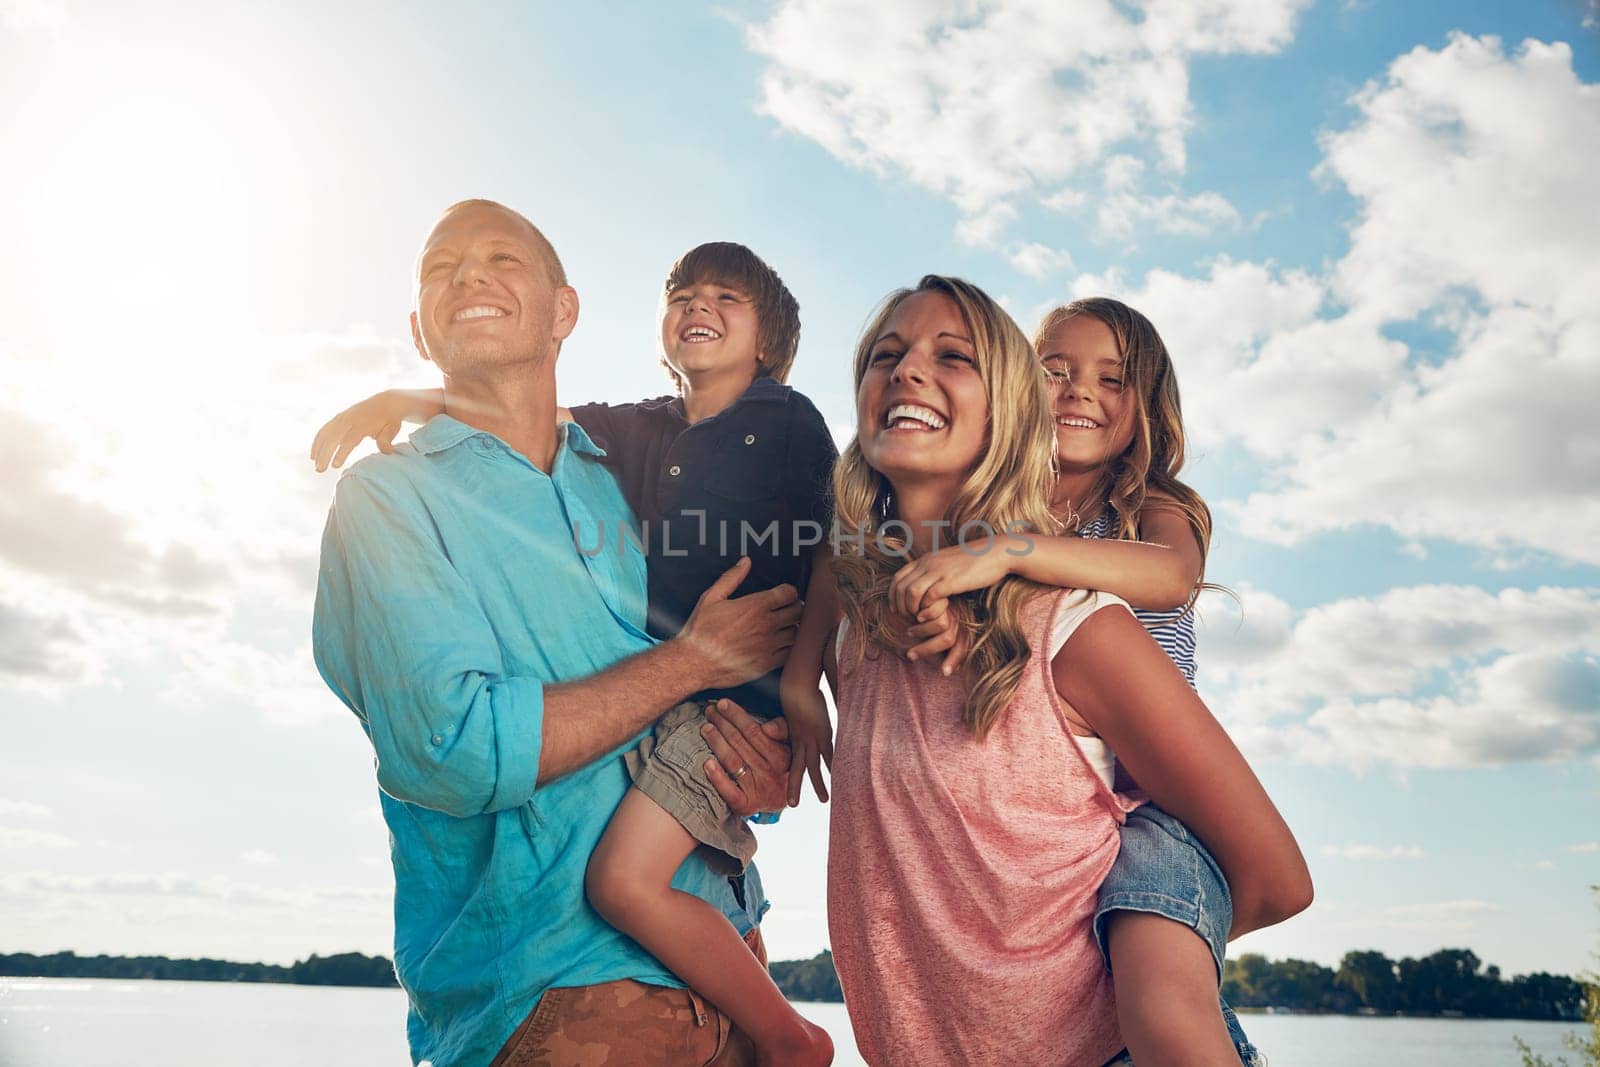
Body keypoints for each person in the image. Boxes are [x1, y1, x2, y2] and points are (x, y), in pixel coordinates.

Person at [312, 236, 836, 1064]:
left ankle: (784, 1031)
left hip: (732, 813)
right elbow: (455, 748)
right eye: (683, 295)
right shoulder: (620, 442)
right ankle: (788, 1032)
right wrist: (402, 398)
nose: (699, 307)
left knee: (629, 877)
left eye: (726, 300)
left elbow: (838, 538)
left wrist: (799, 691)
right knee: (622, 880)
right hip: (553, 992)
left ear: (565, 310)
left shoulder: (773, 425)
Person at [819, 275, 1313, 1065]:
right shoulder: (889, 617)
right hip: (1094, 787)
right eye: (1055, 369)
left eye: (1112, 378)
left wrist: (1132, 940)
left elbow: (1170, 577)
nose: (1078, 390)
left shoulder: (1132, 532)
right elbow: (849, 562)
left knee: (1162, 991)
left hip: (1153, 805)